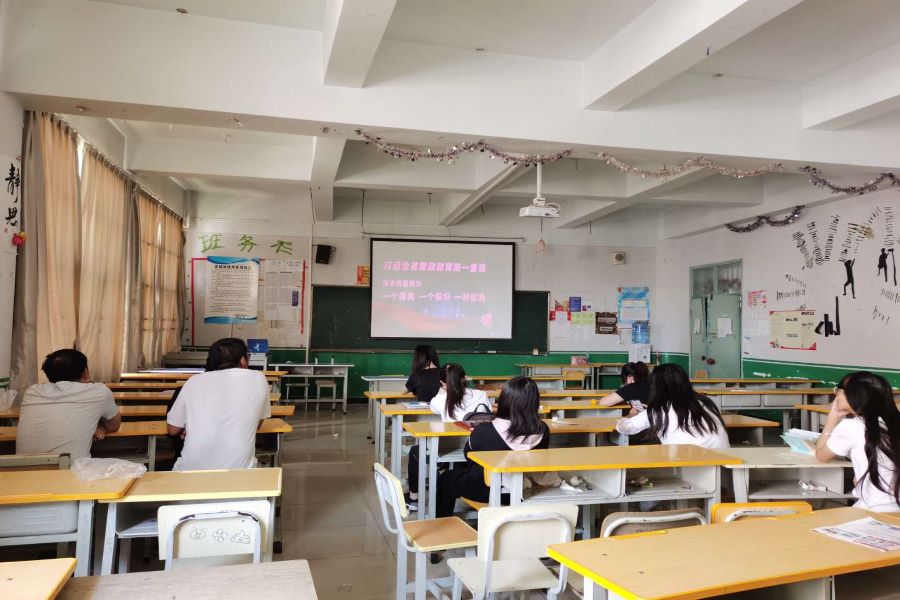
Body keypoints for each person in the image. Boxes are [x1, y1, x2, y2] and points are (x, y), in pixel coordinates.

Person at [435, 376, 549, 518]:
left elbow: (469, 456)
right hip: (525, 490)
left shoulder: (484, 430)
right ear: (534, 402)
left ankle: (443, 522)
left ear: (504, 400)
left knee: (447, 477)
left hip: (486, 490)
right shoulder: (543, 430)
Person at [166, 338, 271, 471]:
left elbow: (172, 430)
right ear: (243, 360)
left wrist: (191, 427)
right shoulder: (259, 378)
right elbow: (257, 424)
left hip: (191, 471)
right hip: (240, 473)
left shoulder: (194, 381)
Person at [815, 371, 900, 512]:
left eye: (838, 391)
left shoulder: (852, 426)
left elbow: (821, 456)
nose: (836, 396)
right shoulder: (894, 422)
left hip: (874, 511)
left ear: (853, 395)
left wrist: (832, 419)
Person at [16, 349, 121, 461]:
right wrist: (96, 425)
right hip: (69, 470)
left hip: (21, 469)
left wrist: (91, 424)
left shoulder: (32, 392)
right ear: (85, 372)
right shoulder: (99, 392)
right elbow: (114, 425)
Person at [616, 363, 729, 449]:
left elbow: (624, 428)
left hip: (691, 464)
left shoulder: (658, 410)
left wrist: (632, 415)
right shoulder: (705, 402)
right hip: (724, 458)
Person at [404, 345, 441, 509]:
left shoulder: (416, 376)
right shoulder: (447, 374)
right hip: (449, 432)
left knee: (416, 451)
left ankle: (414, 497)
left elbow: (402, 393)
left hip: (424, 426)